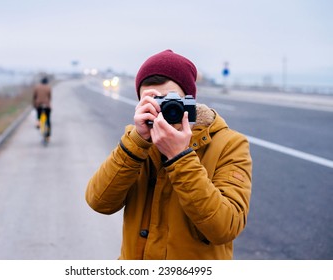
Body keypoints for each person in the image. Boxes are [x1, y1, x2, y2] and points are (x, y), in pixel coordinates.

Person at [85, 50, 252, 260]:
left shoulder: (229, 144)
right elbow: (99, 202)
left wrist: (180, 156)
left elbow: (225, 227)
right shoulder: (137, 142)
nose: (166, 109)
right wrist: (137, 141)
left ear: (190, 101)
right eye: (156, 101)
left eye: (172, 100)